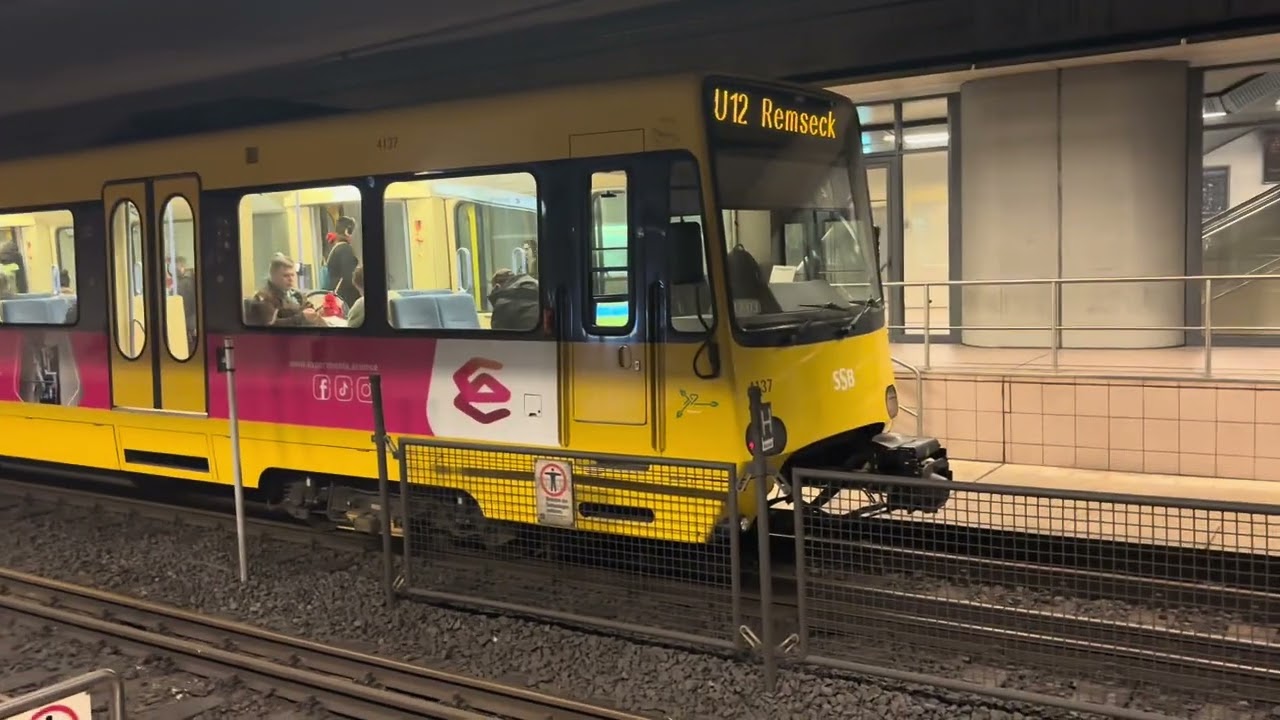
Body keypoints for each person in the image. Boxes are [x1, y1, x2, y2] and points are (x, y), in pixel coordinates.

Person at [248, 256, 325, 327]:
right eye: (286, 275)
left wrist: (319, 312)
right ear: (273, 276)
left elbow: (310, 310)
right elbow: (271, 327)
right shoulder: (264, 298)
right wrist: (302, 318)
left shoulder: (297, 295)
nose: (291, 279)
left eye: (293, 275)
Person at [323, 216, 361, 308]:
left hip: (337, 296)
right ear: (347, 231)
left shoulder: (335, 248)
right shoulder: (345, 249)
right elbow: (349, 277)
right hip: (346, 298)